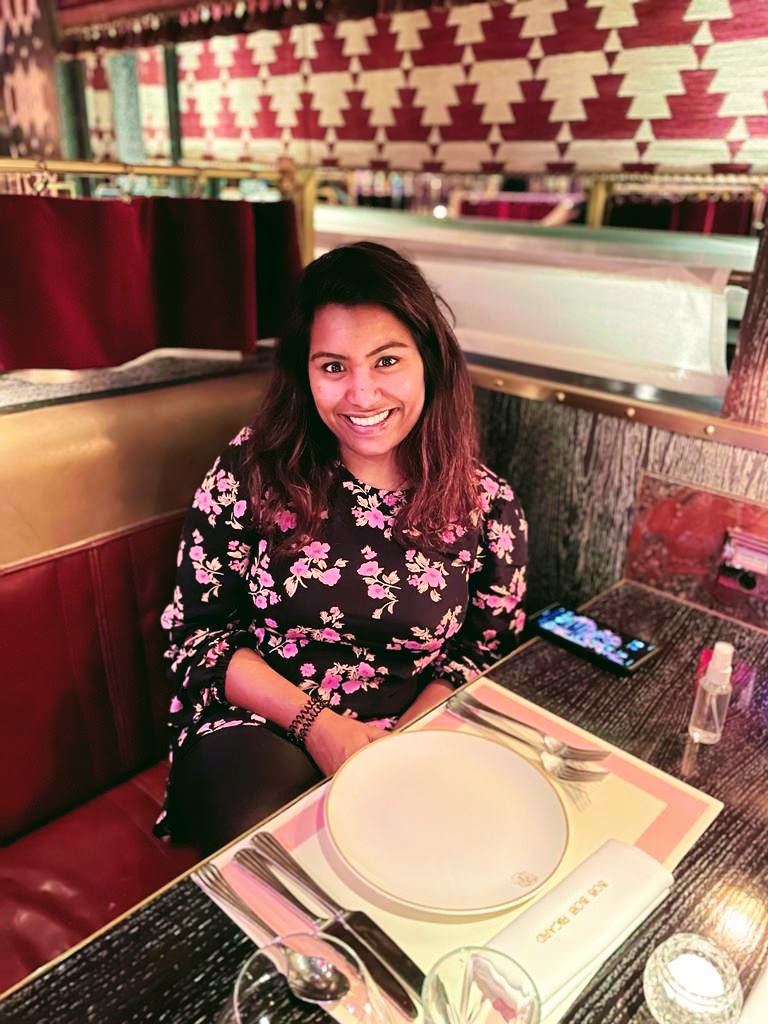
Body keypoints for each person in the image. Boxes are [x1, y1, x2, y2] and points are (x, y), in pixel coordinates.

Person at [156, 241, 528, 852]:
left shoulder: (488, 505)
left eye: (386, 362)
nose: (361, 394)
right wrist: (318, 726)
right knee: (269, 845)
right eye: (333, 366)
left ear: (429, 361)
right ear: (305, 374)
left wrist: (399, 747)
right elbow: (197, 635)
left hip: (413, 729)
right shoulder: (254, 468)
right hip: (262, 719)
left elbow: (479, 653)